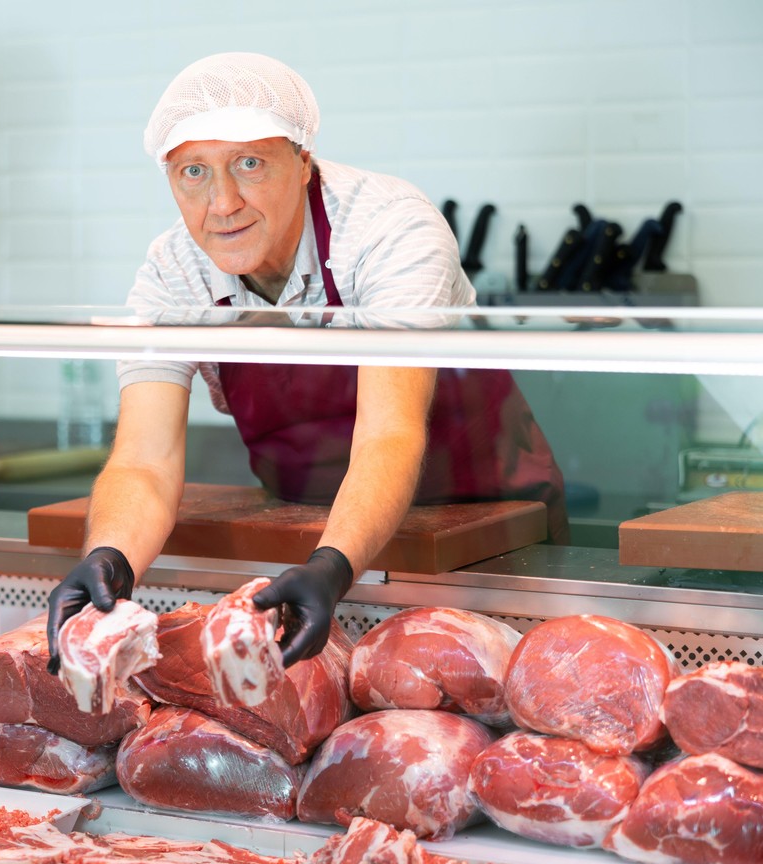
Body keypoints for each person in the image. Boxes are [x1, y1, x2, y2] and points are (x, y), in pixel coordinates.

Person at [45, 52, 564, 670]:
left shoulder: (390, 230)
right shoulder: (172, 271)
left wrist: (332, 565)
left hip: (481, 540)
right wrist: (110, 557)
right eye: (193, 172)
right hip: (305, 547)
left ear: (303, 160)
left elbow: (387, 434)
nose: (223, 203)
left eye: (250, 164)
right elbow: (144, 460)